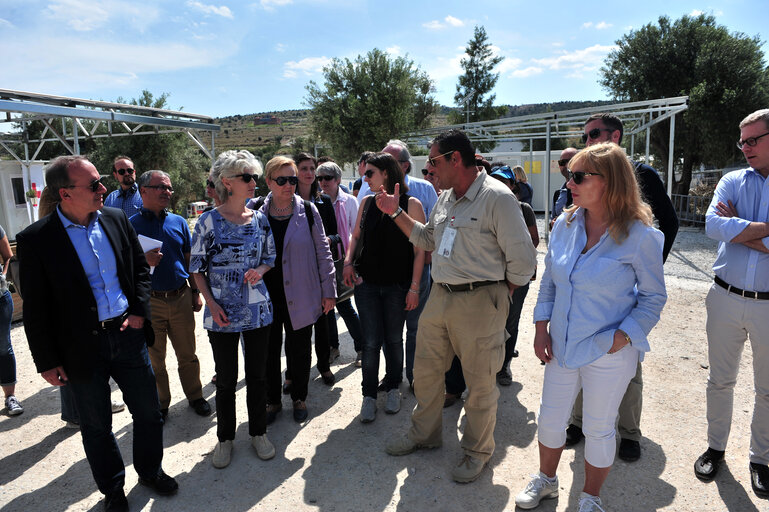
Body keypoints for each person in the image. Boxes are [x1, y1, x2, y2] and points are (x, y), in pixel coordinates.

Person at [17, 155, 178, 512]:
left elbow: (138, 269)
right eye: (93, 185)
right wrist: (46, 360)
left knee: (149, 413)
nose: (103, 188)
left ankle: (150, 471)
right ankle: (113, 489)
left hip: (128, 335)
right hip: (79, 348)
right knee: (97, 425)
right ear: (65, 194)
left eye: (100, 181)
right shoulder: (36, 239)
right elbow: (37, 307)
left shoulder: (116, 219)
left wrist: (139, 311)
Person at [377, 129, 537, 483]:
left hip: (481, 300)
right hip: (441, 295)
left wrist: (499, 293)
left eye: (433, 160)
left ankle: (478, 451)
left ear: (455, 159)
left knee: (480, 383)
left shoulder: (497, 198)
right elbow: (427, 239)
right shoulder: (445, 197)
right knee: (427, 373)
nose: (428, 168)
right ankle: (425, 434)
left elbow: (524, 263)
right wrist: (395, 213)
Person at [514, 142, 666, 511]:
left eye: (578, 176)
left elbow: (652, 298)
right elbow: (550, 279)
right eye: (569, 176)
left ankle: (590, 497)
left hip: (608, 351)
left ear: (610, 181)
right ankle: (547, 480)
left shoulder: (642, 237)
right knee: (551, 419)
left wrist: (622, 335)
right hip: (561, 345)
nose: (569, 183)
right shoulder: (564, 224)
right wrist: (540, 326)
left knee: (598, 427)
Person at [565, 113, 679, 463]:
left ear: (615, 134)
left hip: (624, 297)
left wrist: (645, 269)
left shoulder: (642, 174)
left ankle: (629, 432)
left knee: (627, 359)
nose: (588, 140)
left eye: (595, 133)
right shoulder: (582, 173)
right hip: (587, 292)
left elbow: (668, 222)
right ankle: (578, 422)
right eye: (585, 135)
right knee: (581, 355)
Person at [693, 108, 769, 498]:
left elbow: (728, 230)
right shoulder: (731, 180)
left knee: (768, 389)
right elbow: (712, 226)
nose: (745, 148)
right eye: (743, 141)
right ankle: (715, 448)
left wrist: (740, 229)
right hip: (724, 296)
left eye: (754, 139)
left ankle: (761, 458)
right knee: (720, 380)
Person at [190, 150, 276, 469]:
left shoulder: (261, 219)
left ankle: (258, 433)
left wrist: (261, 271)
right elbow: (196, 267)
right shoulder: (207, 221)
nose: (254, 182)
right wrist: (211, 303)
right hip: (222, 312)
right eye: (247, 178)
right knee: (226, 380)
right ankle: (225, 439)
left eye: (254, 176)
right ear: (227, 182)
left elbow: (270, 258)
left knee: (257, 377)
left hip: (257, 311)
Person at [342, 152, 425, 423]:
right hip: (366, 286)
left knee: (393, 339)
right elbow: (355, 237)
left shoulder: (410, 204)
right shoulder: (365, 202)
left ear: (386, 174)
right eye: (364, 174)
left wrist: (414, 288)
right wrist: (347, 263)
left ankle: (392, 388)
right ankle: (368, 395)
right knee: (369, 341)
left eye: (369, 174)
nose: (364, 179)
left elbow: (420, 251)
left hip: (397, 286)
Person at [259, 156, 336, 425]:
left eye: (292, 179)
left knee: (300, 349)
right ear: (268, 181)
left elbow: (323, 252)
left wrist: (329, 291)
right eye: (282, 180)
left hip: (302, 293)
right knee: (268, 351)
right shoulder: (256, 211)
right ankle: (272, 401)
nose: (289, 185)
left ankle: (299, 398)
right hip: (266, 296)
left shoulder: (308, 210)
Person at [130, 170, 211, 421]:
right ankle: (161, 404)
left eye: (169, 188)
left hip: (181, 297)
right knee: (156, 359)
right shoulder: (129, 225)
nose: (167, 192)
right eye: (160, 187)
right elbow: (123, 265)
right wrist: (143, 261)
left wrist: (195, 292)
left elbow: (189, 259)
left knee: (188, 354)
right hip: (150, 301)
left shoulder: (178, 222)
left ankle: (195, 396)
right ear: (143, 191)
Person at [294, 152, 337, 387]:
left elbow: (336, 234)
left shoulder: (324, 201)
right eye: (304, 169)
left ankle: (324, 367)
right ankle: (293, 373)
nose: (310, 173)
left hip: (318, 271)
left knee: (322, 324)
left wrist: (327, 241)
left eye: (313, 169)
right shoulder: (285, 201)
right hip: (294, 272)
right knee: (295, 328)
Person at [316, 161, 364, 366]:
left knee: (344, 306)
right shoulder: (318, 202)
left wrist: (350, 261)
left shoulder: (349, 202)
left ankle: (361, 348)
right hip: (323, 261)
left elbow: (356, 233)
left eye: (328, 178)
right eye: (320, 178)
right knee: (326, 309)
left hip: (343, 260)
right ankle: (333, 347)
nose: (323, 182)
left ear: (337, 180)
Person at [1, 224, 22, 416]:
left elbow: (8, 255)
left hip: (0, 298)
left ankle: (10, 397)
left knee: (3, 346)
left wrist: (3, 276)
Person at [551, 147, 577, 228]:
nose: (566, 165)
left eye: (570, 161)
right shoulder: (558, 194)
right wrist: (552, 224)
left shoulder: (588, 191)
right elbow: (552, 220)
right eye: (562, 162)